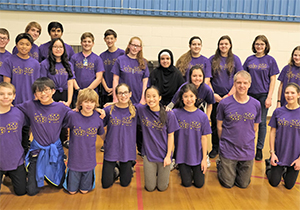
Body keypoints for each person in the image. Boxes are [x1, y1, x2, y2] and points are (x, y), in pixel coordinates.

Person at [17, 77, 70, 196]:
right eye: (39, 91)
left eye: (46, 90)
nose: (43, 93)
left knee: (59, 185)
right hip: (37, 151)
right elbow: (13, 109)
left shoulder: (61, 107)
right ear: (35, 94)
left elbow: (77, 115)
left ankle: (49, 174)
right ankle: (40, 173)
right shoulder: (30, 105)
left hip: (54, 151)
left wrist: (98, 110)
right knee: (31, 191)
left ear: (53, 91)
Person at [216, 70, 261, 188]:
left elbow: (255, 127)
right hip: (229, 149)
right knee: (227, 183)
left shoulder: (256, 104)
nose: (242, 86)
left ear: (249, 84)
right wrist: (224, 142)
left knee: (243, 184)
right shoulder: (224, 103)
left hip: (247, 150)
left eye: (245, 83)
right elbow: (219, 126)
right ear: (234, 84)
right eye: (239, 82)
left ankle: (234, 167)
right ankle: (221, 163)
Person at [1, 33, 40, 153]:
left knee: (25, 131)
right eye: (21, 44)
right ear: (16, 45)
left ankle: (23, 158)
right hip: (13, 103)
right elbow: (7, 84)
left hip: (29, 103)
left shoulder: (35, 64)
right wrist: (9, 102)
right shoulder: (9, 61)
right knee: (12, 132)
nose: (24, 47)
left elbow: (36, 85)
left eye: (27, 44)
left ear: (31, 46)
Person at [136, 86, 179, 191]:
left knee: (162, 187)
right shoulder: (142, 110)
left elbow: (171, 136)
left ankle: (162, 172)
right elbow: (124, 104)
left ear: (159, 97)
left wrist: (168, 156)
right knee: (150, 188)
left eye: (154, 96)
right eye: (148, 96)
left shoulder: (169, 114)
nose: (151, 99)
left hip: (164, 155)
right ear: (145, 98)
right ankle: (153, 173)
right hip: (149, 155)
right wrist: (110, 105)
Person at [243, 35, 279, 161]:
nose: (259, 46)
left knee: (262, 122)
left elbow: (273, 79)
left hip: (263, 95)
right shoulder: (249, 60)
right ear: (254, 45)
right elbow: (244, 77)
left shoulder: (270, 60)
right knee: (248, 122)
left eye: (262, 44)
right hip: (250, 95)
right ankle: (248, 147)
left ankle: (259, 149)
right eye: (257, 44)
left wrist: (270, 97)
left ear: (266, 46)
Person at [63, 88, 105, 194]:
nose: (89, 105)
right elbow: (61, 122)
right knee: (71, 192)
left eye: (92, 102)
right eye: (86, 101)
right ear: (81, 102)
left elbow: (102, 134)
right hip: (74, 159)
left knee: (84, 191)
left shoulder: (98, 118)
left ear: (96, 104)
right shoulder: (72, 116)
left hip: (89, 160)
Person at [209, 35, 243, 159]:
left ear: (230, 45)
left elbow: (239, 79)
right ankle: (215, 147)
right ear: (218, 46)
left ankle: (228, 147)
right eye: (221, 44)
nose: (223, 46)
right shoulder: (212, 59)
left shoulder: (235, 60)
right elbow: (207, 79)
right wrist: (214, 95)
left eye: (226, 44)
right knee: (214, 123)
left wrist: (229, 95)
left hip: (231, 98)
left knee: (229, 123)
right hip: (215, 98)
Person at [173, 83, 211, 188]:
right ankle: (180, 168)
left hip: (197, 156)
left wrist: (204, 158)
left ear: (196, 97)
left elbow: (204, 138)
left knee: (199, 184)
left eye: (191, 96)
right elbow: (170, 134)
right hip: (182, 155)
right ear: (181, 98)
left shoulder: (202, 116)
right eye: (185, 96)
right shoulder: (175, 113)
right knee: (187, 183)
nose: (189, 99)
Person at [40, 38, 75, 148]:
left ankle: (63, 142)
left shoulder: (68, 64)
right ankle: (51, 145)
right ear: (51, 49)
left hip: (64, 94)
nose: (58, 49)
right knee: (51, 121)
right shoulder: (45, 64)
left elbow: (70, 83)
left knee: (63, 121)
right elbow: (43, 83)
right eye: (55, 47)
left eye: (60, 47)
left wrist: (69, 101)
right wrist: (48, 100)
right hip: (50, 95)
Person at [102, 83, 137, 188]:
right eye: (120, 93)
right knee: (106, 184)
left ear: (130, 94)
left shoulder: (135, 111)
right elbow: (98, 125)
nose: (123, 96)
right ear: (116, 95)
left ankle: (128, 167)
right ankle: (116, 170)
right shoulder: (109, 110)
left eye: (125, 93)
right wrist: (106, 139)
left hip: (127, 150)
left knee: (125, 183)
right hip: (111, 148)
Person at [265, 83, 300, 189]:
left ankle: (285, 171)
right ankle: (268, 165)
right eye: (287, 92)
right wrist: (272, 153)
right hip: (279, 154)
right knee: (274, 182)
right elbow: (272, 132)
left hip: (295, 156)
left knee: (289, 186)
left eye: (292, 93)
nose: (289, 95)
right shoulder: (278, 112)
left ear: (298, 95)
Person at [0, 82, 27, 196]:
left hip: (15, 159)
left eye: (9, 94)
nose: (6, 97)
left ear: (14, 96)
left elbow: (27, 130)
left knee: (21, 192)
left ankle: (10, 174)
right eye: (1, 94)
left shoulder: (19, 113)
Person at [111, 36, 149, 104]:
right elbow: (115, 80)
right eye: (133, 45)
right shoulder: (120, 60)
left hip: (138, 98)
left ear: (140, 48)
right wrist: (115, 97)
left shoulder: (143, 62)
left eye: (137, 46)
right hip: (122, 97)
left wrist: (143, 98)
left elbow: (145, 82)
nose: (135, 48)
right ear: (129, 46)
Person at [71, 32, 104, 102]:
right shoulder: (74, 58)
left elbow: (99, 78)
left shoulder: (97, 59)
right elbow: (71, 76)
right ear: (81, 43)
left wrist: (87, 91)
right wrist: (78, 89)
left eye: (89, 42)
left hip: (92, 93)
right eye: (84, 41)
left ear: (93, 44)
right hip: (77, 93)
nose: (87, 44)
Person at [100, 29, 125, 107]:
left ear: (115, 39)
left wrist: (115, 89)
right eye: (107, 38)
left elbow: (124, 73)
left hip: (119, 91)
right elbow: (100, 74)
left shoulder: (122, 54)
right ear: (104, 40)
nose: (109, 40)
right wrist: (106, 88)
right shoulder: (102, 56)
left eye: (111, 38)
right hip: (106, 91)